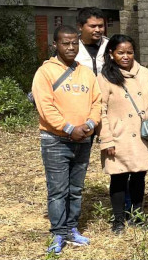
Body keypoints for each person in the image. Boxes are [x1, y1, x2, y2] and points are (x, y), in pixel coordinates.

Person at [32, 25, 101, 255]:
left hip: (83, 139)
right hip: (55, 141)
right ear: (55, 45)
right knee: (58, 190)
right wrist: (69, 128)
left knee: (76, 189)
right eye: (65, 43)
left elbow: (97, 102)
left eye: (74, 43)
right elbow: (45, 107)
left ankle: (72, 228)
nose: (71, 47)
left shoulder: (86, 73)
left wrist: (90, 124)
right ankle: (58, 233)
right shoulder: (45, 73)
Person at [96, 34, 148, 234]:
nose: (125, 56)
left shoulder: (146, 73)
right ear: (111, 54)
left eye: (129, 52)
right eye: (120, 53)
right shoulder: (105, 77)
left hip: (142, 135)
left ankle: (137, 216)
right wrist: (106, 139)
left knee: (139, 176)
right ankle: (118, 220)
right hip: (119, 136)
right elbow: (100, 110)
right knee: (118, 178)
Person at [76, 7, 109, 75]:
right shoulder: (72, 46)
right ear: (80, 27)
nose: (97, 30)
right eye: (93, 26)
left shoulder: (110, 45)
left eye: (100, 26)